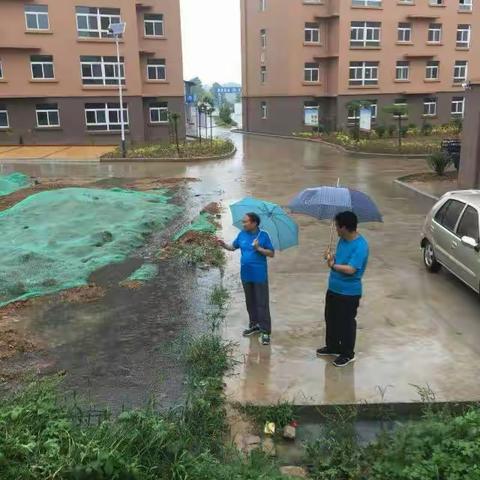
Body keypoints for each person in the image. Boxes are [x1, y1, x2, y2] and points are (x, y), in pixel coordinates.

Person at [316, 211, 369, 367]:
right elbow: (340, 260)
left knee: (346, 323)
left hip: (349, 292)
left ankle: (347, 353)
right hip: (333, 288)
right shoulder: (342, 240)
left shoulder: (361, 246)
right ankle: (333, 347)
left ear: (345, 227)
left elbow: (351, 269)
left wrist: (333, 265)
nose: (336, 229)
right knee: (330, 319)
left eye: (337, 226)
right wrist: (331, 257)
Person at [218, 212, 275, 345]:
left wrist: (258, 248)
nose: (243, 224)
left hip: (259, 276)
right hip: (246, 274)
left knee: (262, 303)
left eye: (245, 222)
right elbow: (233, 247)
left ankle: (265, 332)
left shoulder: (263, 235)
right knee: (250, 302)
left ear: (254, 223)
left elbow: (271, 253)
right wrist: (223, 245)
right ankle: (254, 325)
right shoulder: (242, 234)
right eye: (243, 222)